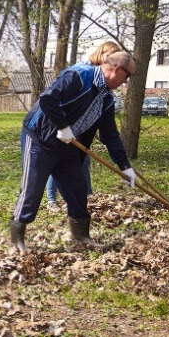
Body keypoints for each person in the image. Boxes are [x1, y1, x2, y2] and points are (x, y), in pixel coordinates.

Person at [10, 50, 138, 251]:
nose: (126, 81)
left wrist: (125, 167)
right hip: (40, 137)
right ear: (117, 69)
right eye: (127, 75)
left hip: (67, 143)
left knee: (77, 187)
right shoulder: (79, 75)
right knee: (32, 187)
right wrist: (63, 127)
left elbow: (110, 135)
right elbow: (47, 99)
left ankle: (81, 235)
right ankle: (17, 237)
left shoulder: (107, 98)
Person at [44, 41, 121, 211]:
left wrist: (124, 165)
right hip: (59, 130)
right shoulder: (83, 72)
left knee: (82, 162)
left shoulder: (105, 88)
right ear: (101, 54)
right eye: (108, 56)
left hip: (79, 131)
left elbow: (108, 131)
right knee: (56, 165)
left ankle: (83, 195)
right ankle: (52, 199)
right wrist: (64, 128)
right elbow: (52, 100)